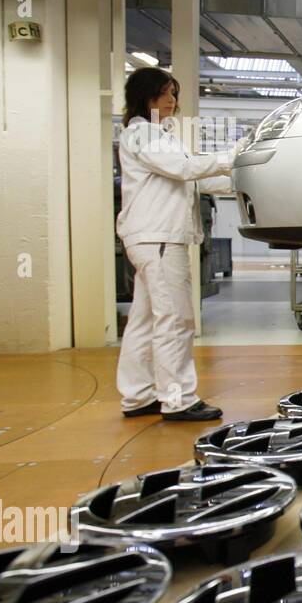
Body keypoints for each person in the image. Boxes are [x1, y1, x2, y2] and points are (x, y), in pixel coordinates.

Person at [115, 67, 232, 421]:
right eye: (164, 94)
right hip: (160, 238)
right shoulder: (144, 135)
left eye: (173, 94)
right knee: (176, 320)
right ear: (145, 97)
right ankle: (178, 399)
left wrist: (236, 179)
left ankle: (137, 396)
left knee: (146, 320)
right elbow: (184, 170)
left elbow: (189, 180)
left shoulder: (155, 136)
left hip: (152, 238)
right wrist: (234, 155)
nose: (172, 101)